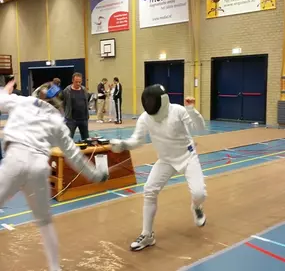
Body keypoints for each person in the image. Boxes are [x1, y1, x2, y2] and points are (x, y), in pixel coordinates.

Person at [0, 79, 109, 271]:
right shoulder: (58, 122)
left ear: (37, 93)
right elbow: (74, 156)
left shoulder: (21, 101)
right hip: (39, 168)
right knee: (44, 222)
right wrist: (95, 175)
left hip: (14, 161)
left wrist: (5, 91)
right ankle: (54, 267)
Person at [110, 84, 207, 251]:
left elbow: (199, 128)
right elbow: (137, 140)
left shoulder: (178, 111)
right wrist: (124, 144)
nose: (149, 105)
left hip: (187, 156)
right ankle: (147, 235)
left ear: (162, 101)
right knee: (149, 190)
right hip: (166, 160)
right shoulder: (145, 118)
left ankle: (196, 207)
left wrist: (191, 110)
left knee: (199, 194)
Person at [62, 72, 90, 140]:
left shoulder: (84, 90)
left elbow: (86, 101)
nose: (78, 84)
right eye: (76, 82)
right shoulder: (66, 91)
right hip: (71, 120)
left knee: (86, 139)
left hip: (83, 119)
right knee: (69, 139)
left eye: (80, 82)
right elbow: (63, 103)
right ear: (72, 80)